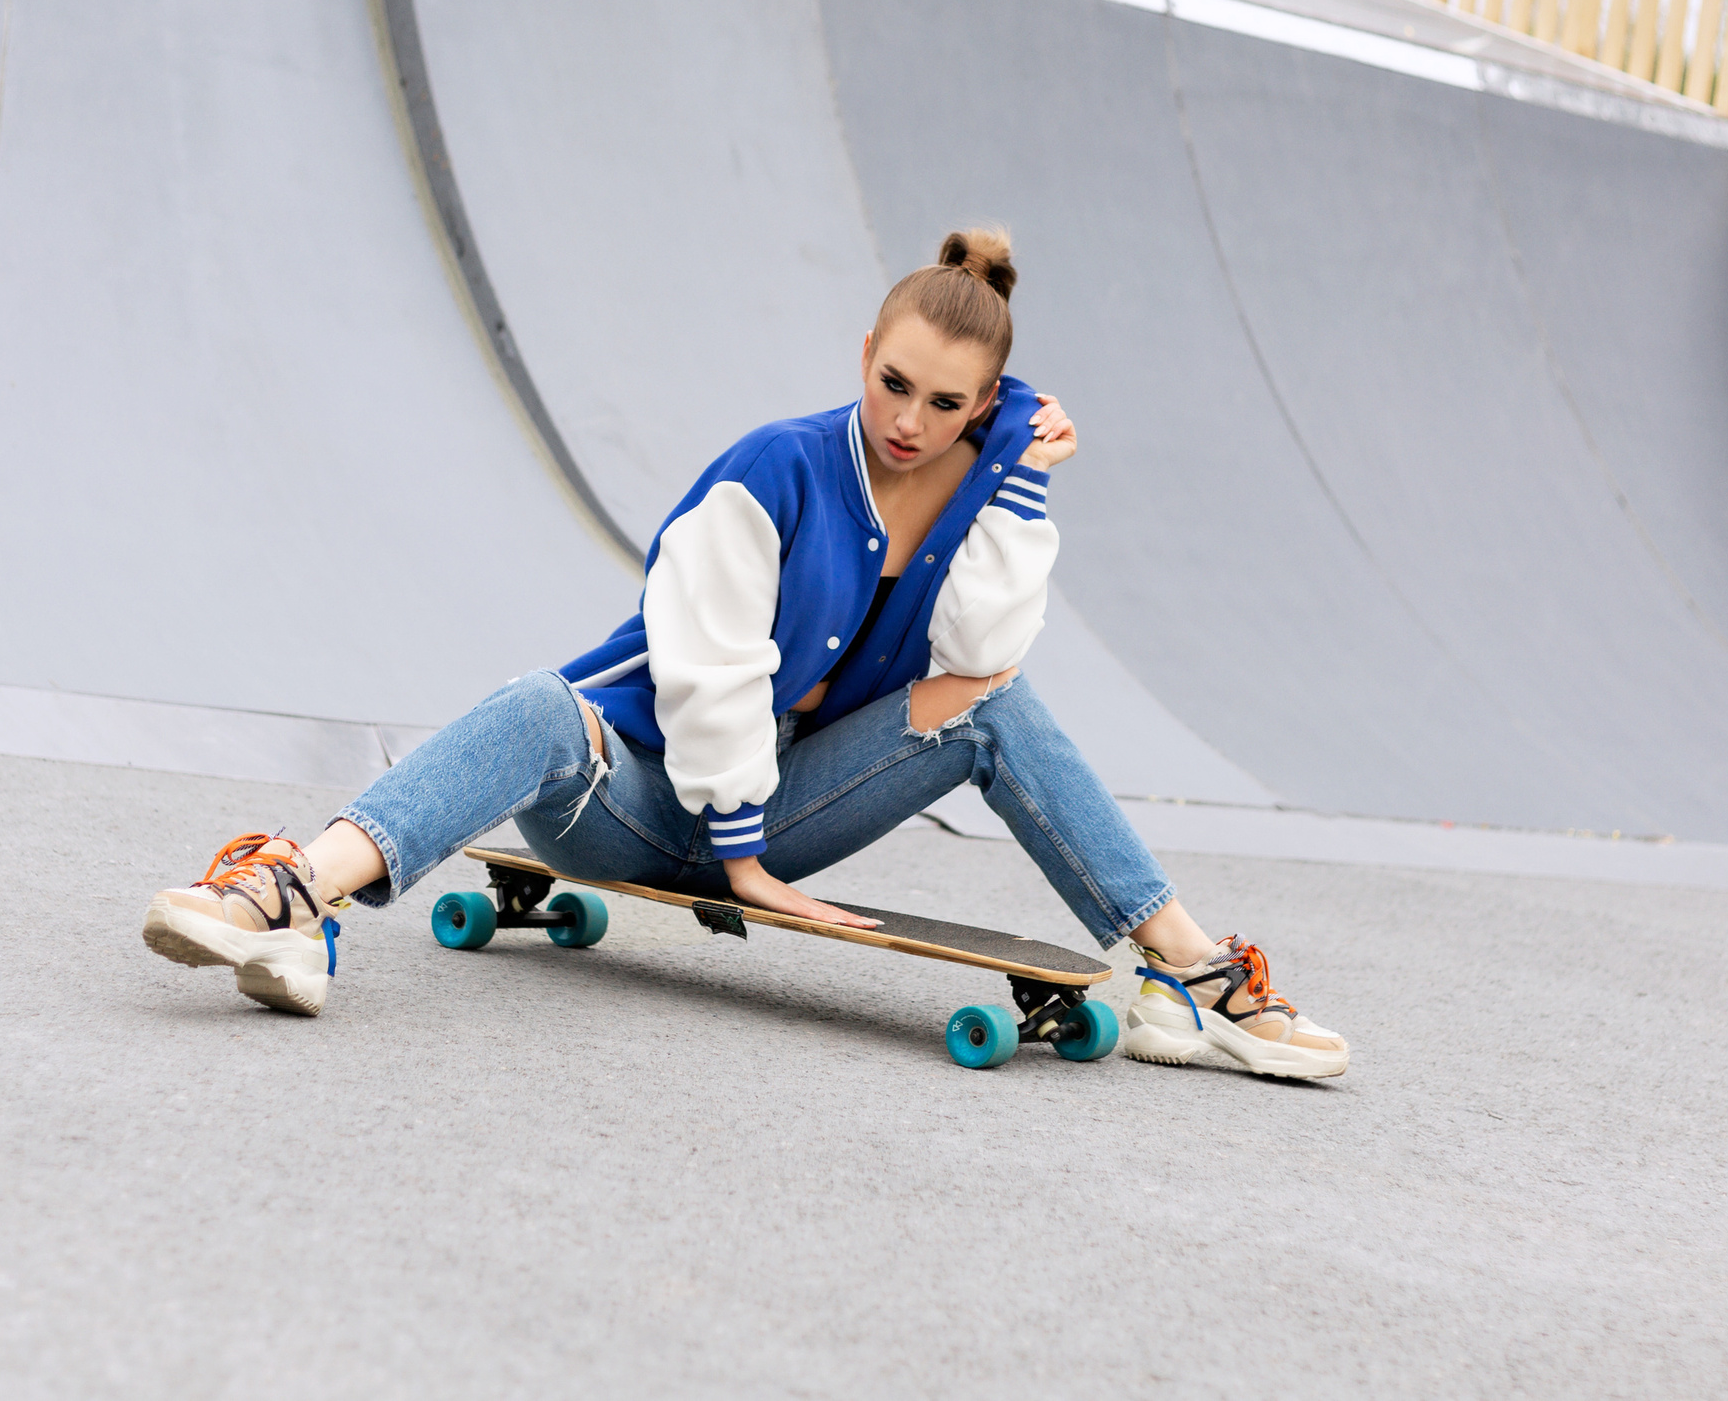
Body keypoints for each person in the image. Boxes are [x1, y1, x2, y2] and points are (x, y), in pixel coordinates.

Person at [140, 231, 1347, 1080]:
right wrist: (743, 865)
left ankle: (1185, 976)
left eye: (944, 406)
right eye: (893, 383)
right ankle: (293, 895)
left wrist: (1020, 485)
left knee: (995, 700)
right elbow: (707, 666)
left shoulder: (982, 485)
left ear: (982, 408)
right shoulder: (774, 468)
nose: (908, 421)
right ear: (863, 351)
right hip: (634, 796)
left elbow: (981, 652)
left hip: (792, 798)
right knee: (539, 703)